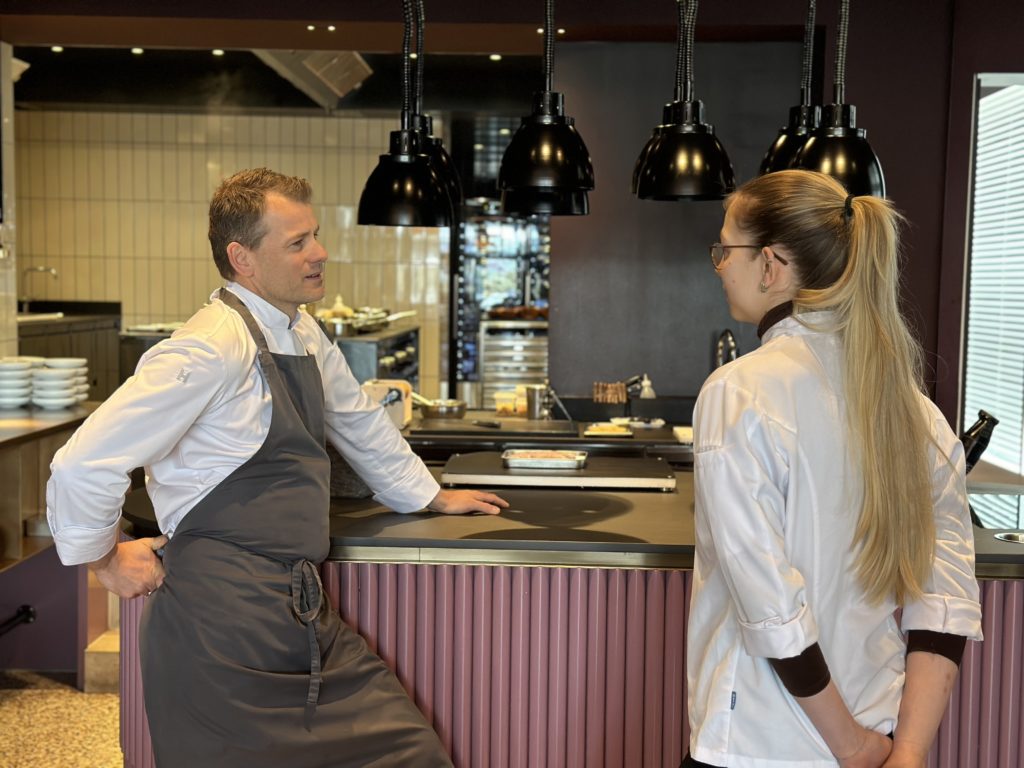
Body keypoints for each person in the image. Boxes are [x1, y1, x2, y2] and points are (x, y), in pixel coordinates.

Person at [46, 167, 508, 767]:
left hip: (295, 611)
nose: (320, 254)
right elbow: (83, 462)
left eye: (314, 236)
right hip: (218, 629)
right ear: (243, 257)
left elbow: (358, 419)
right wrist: (104, 559)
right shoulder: (208, 347)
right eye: (297, 243)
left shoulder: (301, 331)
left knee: (409, 751)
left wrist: (425, 495)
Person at [684, 170, 982, 768]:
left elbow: (769, 605)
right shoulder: (919, 414)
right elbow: (944, 601)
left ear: (770, 265)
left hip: (760, 744)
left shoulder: (738, 393)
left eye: (725, 249)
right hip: (884, 736)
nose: (720, 265)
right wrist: (909, 753)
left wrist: (849, 746)